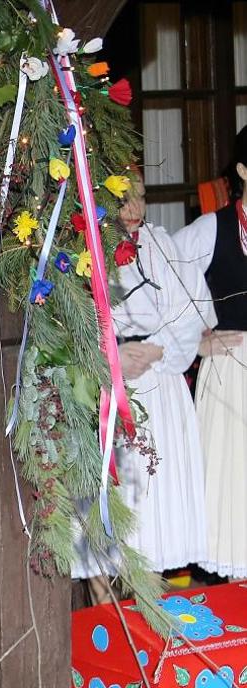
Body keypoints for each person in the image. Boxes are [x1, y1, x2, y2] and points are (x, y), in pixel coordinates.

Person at [76, 172, 210, 582]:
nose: (134, 207)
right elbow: (71, 321)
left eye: (141, 196)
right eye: (123, 198)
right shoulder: (85, 249)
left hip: (160, 378)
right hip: (110, 383)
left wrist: (159, 349)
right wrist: (112, 355)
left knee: (159, 499)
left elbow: (191, 315)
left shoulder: (161, 244)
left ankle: (161, 601)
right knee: (119, 499)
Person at [174, 125, 247, 579]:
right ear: (242, 170)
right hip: (230, 373)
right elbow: (162, 287)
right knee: (232, 488)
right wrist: (196, 339)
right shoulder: (210, 230)